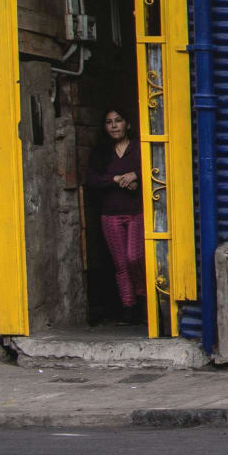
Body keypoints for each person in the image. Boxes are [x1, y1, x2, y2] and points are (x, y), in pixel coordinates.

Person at [86, 108, 146, 325]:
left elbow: (156, 168)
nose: (114, 125)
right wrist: (116, 178)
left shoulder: (140, 148)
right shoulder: (101, 152)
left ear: (127, 124)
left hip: (137, 212)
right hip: (110, 214)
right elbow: (92, 180)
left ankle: (143, 298)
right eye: (109, 122)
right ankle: (129, 308)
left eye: (118, 121)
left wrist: (136, 175)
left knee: (135, 258)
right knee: (121, 264)